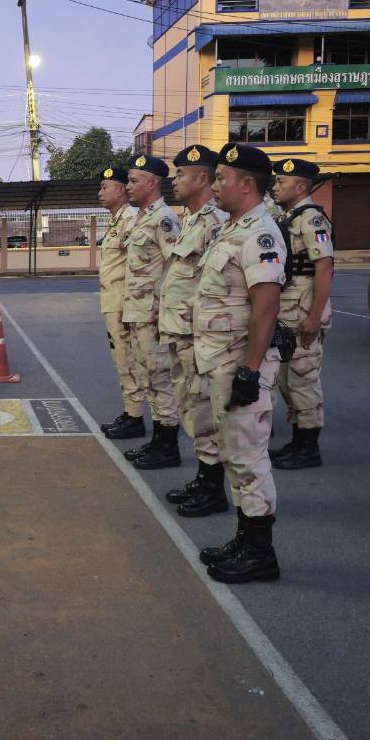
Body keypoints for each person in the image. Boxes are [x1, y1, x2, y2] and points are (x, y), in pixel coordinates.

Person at [193, 144, 286, 584]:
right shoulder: (231, 229)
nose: (214, 186)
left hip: (239, 364)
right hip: (221, 363)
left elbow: (265, 305)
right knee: (235, 455)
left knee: (249, 458)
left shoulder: (259, 233)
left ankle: (260, 553)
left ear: (246, 184)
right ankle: (245, 538)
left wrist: (250, 371)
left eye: (221, 179)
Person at [157, 146, 231, 517]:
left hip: (199, 336)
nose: (174, 180)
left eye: (181, 174)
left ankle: (214, 487)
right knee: (192, 409)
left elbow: (218, 285)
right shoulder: (194, 221)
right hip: (181, 334)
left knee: (204, 412)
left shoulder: (216, 222)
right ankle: (205, 478)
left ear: (202, 179)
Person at [268, 157, 334, 470]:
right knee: (287, 379)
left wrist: (315, 316)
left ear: (301, 187)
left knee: (304, 379)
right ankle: (297, 441)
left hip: (304, 310)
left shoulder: (312, 220)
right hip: (287, 309)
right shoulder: (289, 217)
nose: (276, 186)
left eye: (282, 182)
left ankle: (309, 447)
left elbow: (324, 266)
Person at [120, 155, 183, 470]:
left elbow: (177, 268)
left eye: (133, 180)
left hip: (155, 316)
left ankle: (168, 446)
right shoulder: (142, 218)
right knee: (147, 377)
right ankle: (159, 440)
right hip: (138, 313)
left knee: (160, 379)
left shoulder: (164, 219)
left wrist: (166, 310)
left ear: (153, 182)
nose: (128, 186)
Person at [96, 166, 146, 440]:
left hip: (125, 304)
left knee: (128, 359)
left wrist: (131, 306)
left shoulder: (131, 220)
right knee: (122, 358)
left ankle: (135, 416)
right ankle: (131, 412)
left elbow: (137, 267)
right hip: (114, 302)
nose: (100, 192)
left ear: (121, 191)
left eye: (105, 187)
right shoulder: (117, 221)